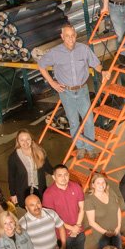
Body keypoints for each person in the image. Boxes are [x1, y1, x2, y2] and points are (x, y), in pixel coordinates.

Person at [36, 23, 101, 156]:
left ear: (75, 35)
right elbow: (41, 65)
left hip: (82, 90)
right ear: (62, 37)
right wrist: (52, 83)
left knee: (88, 119)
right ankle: (80, 147)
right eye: (67, 36)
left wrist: (103, 71)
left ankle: (90, 146)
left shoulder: (83, 49)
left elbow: (96, 64)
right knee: (73, 121)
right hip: (66, 92)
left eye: (72, 36)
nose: (71, 39)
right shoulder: (55, 53)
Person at [43, 166, 86, 249]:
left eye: (66, 174)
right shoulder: (48, 194)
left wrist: (77, 226)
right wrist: (72, 228)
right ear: (54, 177)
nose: (64, 178)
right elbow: (52, 218)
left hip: (78, 232)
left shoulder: (76, 187)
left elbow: (82, 208)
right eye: (60, 175)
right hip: (62, 236)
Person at [7, 129, 52, 206]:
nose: (25, 142)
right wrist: (13, 194)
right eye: (22, 140)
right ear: (18, 141)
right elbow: (11, 177)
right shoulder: (13, 157)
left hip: (40, 190)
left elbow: (48, 168)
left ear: (31, 140)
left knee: (41, 208)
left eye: (27, 139)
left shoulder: (39, 152)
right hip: (23, 192)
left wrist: (59, 174)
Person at [84, 173, 123, 249]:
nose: (101, 185)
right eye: (98, 183)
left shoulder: (111, 192)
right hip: (102, 236)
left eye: (103, 182)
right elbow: (91, 222)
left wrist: (118, 226)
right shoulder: (89, 200)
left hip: (116, 232)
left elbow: (118, 209)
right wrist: (105, 232)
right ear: (93, 185)